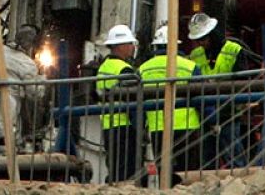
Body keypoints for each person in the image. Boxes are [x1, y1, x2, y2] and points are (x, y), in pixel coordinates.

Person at [187, 13, 254, 168]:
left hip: (228, 111)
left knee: (233, 155)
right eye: (198, 40)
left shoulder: (234, 50)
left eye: (203, 39)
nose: (200, 43)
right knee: (207, 159)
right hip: (205, 111)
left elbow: (242, 81)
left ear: (213, 35)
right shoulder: (196, 55)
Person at [139, 25, 200, 176]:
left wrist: (141, 127)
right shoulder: (190, 66)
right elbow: (200, 97)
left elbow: (138, 101)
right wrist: (213, 120)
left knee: (165, 173)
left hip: (158, 128)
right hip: (188, 127)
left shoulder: (143, 69)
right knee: (189, 174)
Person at [96, 24, 140, 183]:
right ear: (120, 46)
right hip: (124, 126)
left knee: (114, 167)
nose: (132, 47)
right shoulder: (124, 69)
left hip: (108, 125)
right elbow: (133, 100)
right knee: (127, 170)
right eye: (129, 44)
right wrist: (140, 126)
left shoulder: (104, 67)